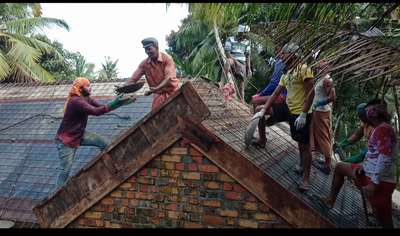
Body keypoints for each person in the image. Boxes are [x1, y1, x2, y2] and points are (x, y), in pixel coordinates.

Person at [318, 101, 397, 228]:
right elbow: (373, 153)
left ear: (372, 115)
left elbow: (384, 158)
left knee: (384, 220)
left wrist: (374, 184)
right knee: (340, 168)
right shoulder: (379, 128)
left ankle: (372, 211)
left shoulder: (383, 130)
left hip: (379, 182)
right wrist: (364, 165)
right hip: (369, 174)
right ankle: (330, 200)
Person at [55, 77, 135, 189]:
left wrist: (119, 103)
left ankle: (111, 168)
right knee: (65, 170)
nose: (90, 87)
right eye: (88, 85)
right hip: (66, 141)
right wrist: (117, 102)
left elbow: (101, 107)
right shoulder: (76, 101)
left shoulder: (86, 98)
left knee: (104, 143)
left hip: (79, 135)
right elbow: (96, 112)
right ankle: (57, 194)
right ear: (81, 88)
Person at [255, 42, 315, 191]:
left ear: (293, 55)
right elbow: (276, 93)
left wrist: (303, 114)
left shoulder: (304, 69)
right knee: (259, 110)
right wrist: (264, 110)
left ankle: (306, 178)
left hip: (301, 113)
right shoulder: (287, 73)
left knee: (304, 145)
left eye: (284, 54)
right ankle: (262, 140)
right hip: (287, 108)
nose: (282, 56)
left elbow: (311, 92)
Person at [124, 37, 179, 110]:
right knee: (156, 116)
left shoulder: (167, 59)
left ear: (156, 47)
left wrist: (156, 88)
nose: (147, 51)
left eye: (149, 49)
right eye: (145, 49)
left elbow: (169, 78)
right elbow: (133, 79)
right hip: (159, 96)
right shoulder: (144, 64)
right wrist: (122, 88)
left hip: (174, 94)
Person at [309, 60, 336, 174]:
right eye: (319, 67)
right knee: (319, 135)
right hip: (318, 111)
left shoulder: (327, 80)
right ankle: (325, 162)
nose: (320, 69)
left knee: (323, 136)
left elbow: (332, 97)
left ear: (328, 68)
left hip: (322, 112)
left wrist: (320, 103)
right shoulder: (321, 78)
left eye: (323, 67)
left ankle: (327, 165)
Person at [251, 46, 287, 112]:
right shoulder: (278, 62)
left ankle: (259, 120)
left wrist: (261, 94)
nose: (277, 53)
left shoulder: (280, 63)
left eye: (282, 52)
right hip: (279, 93)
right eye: (275, 50)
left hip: (283, 95)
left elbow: (274, 84)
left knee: (255, 100)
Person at [224, 24, 252, 101]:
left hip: (242, 63)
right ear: (241, 33)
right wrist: (236, 62)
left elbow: (248, 55)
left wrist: (249, 68)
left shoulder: (247, 42)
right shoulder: (230, 39)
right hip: (233, 60)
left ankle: (242, 101)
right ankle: (222, 81)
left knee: (241, 85)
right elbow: (227, 53)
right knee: (228, 62)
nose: (247, 35)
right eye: (245, 33)